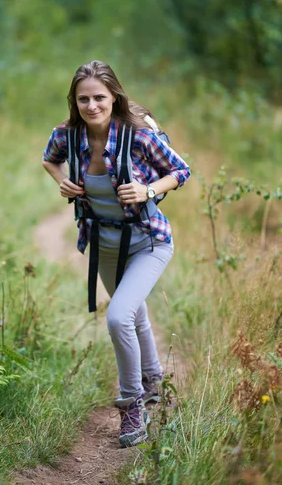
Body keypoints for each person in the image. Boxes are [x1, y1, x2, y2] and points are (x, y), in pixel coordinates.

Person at [42, 60, 190, 448]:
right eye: (84, 99)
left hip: (148, 242)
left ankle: (131, 405)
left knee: (118, 316)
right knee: (133, 314)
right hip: (104, 244)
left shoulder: (138, 136)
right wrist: (64, 182)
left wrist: (149, 190)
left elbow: (182, 171)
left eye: (99, 98)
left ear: (114, 97)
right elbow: (49, 158)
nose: (92, 106)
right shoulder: (68, 135)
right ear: (75, 102)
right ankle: (154, 377)